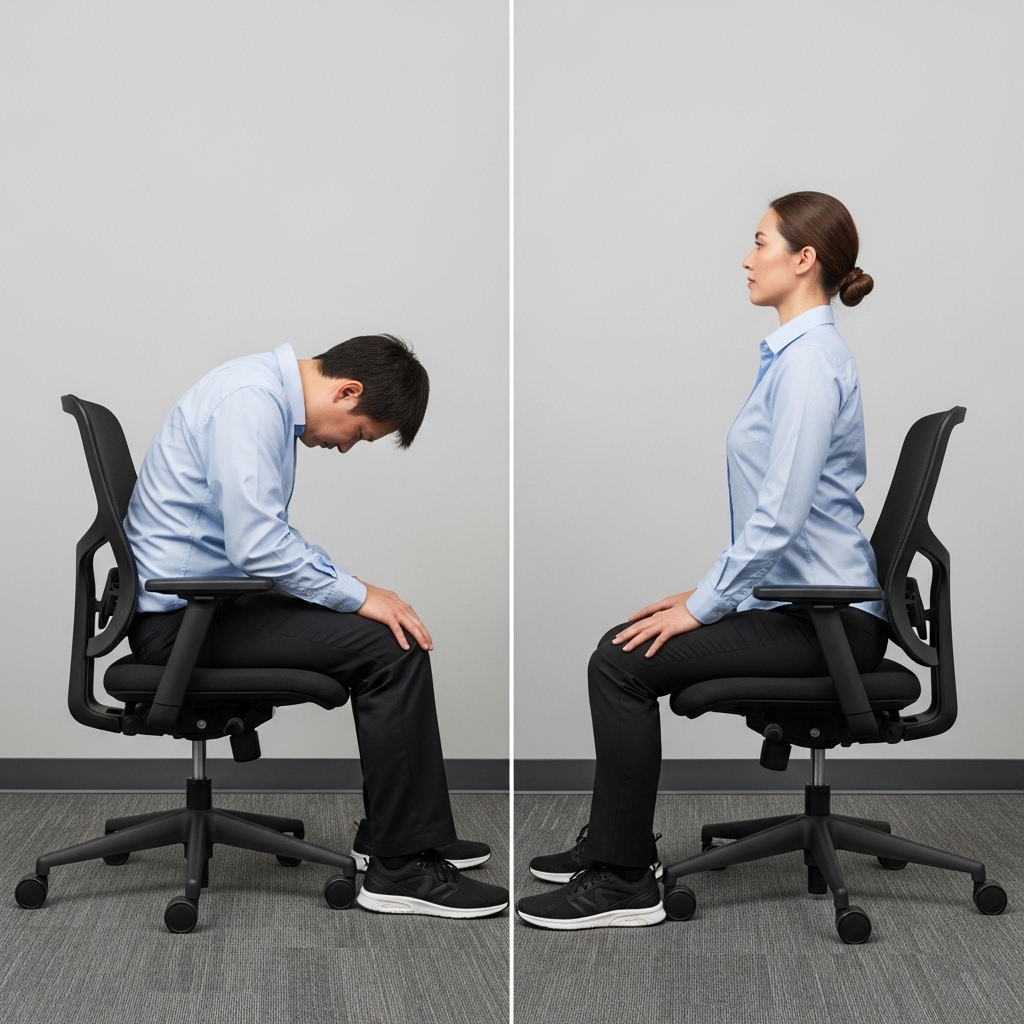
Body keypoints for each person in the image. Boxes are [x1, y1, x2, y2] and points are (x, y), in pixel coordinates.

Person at [517, 192, 887, 930]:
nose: (747, 258)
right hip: (803, 605)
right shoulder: (795, 357)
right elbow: (785, 520)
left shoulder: (810, 365)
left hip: (827, 622)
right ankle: (614, 846)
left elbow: (780, 516)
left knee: (619, 664)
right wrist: (711, 591)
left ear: (804, 258)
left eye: (760, 243)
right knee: (628, 643)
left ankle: (622, 878)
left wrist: (708, 604)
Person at [126, 333, 508, 919]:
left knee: (386, 635)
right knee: (389, 647)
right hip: (184, 623)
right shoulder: (250, 401)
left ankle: (402, 835)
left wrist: (355, 591)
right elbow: (257, 546)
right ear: (347, 390)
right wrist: (357, 595)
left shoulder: (262, 398)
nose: (349, 447)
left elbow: (262, 543)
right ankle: (399, 866)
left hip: (207, 607)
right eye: (360, 433)